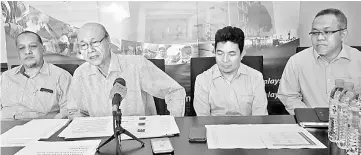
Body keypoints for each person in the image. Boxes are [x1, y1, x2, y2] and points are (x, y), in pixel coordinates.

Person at [67, 23, 186, 118]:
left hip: (140, 137)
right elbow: (75, 111)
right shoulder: (81, 74)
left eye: (95, 42)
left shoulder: (136, 65)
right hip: (100, 140)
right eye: (83, 45)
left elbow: (175, 91)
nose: (90, 50)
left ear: (108, 41)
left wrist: (174, 123)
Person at [277, 8, 361, 115]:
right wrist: (310, 116)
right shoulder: (297, 61)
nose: (320, 37)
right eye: (315, 33)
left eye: (327, 32)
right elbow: (288, 96)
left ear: (343, 35)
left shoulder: (358, 59)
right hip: (310, 125)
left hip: (350, 126)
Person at [193, 26, 268, 116]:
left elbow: (259, 117)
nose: (225, 60)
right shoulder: (203, 80)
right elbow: (202, 121)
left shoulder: (256, 78)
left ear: (242, 54)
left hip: (247, 128)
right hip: (215, 129)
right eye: (220, 53)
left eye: (231, 54)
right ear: (214, 52)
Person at [0, 31, 72, 120]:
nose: (27, 52)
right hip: (6, 130)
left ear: (43, 49)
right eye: (21, 48)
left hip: (45, 130)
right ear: (17, 53)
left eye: (33, 46)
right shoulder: (5, 77)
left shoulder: (62, 77)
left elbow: (69, 112)